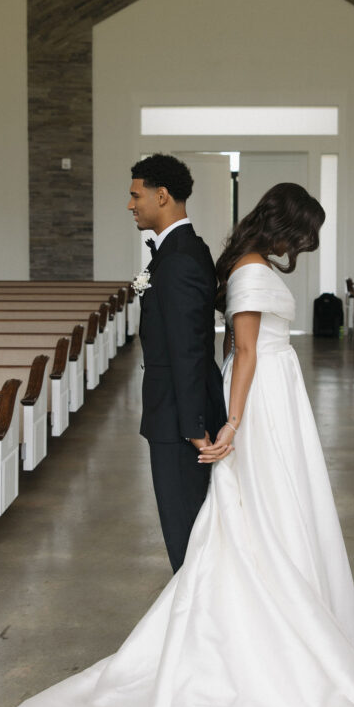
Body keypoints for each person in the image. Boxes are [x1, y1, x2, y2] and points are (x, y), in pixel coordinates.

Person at [3, 182, 354, 707]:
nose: (304, 245)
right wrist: (233, 425)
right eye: (304, 232)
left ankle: (298, 605)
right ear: (285, 224)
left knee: (281, 507)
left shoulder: (252, 263)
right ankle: (269, 630)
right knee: (256, 512)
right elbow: (242, 351)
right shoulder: (249, 269)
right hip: (261, 396)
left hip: (277, 390)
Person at [128, 154, 226, 572]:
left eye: (136, 195)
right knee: (186, 524)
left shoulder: (181, 258)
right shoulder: (180, 250)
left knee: (184, 527)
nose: (131, 205)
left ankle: (198, 621)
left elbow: (189, 349)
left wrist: (193, 427)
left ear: (162, 195)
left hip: (178, 419)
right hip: (176, 411)